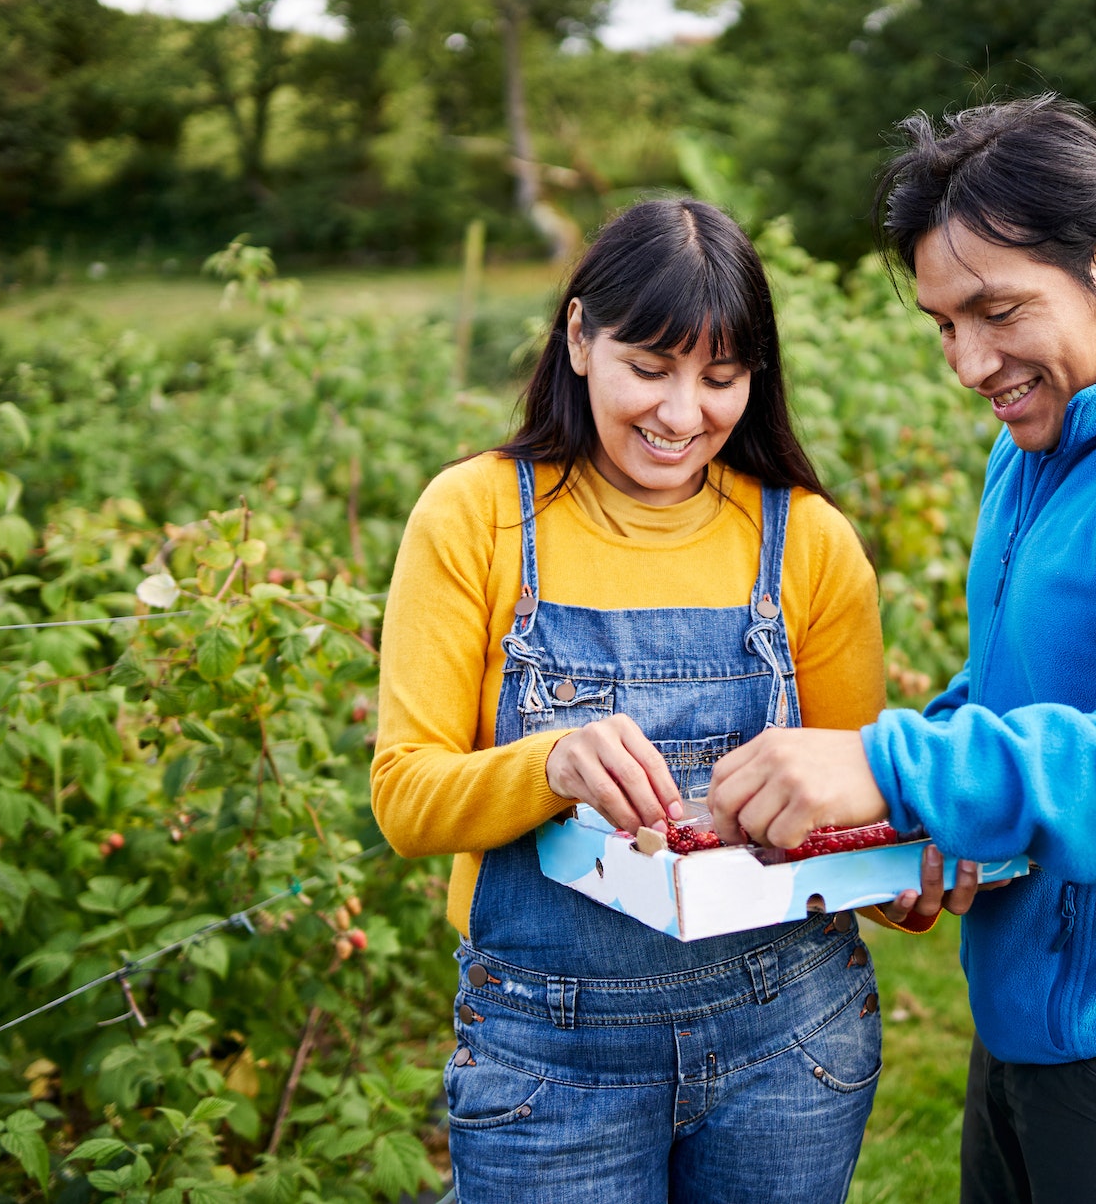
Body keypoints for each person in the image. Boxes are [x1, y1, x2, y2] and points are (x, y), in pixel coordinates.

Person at [707, 97, 1096, 1203]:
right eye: (944, 323)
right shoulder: (1044, 436)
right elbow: (1023, 689)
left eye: (996, 310)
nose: (967, 361)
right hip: (1038, 1007)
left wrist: (898, 765)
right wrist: (910, 817)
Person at [371, 199, 924, 1204]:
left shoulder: (804, 541)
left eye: (720, 379)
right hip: (549, 1052)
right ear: (580, 337)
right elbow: (405, 799)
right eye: (650, 367)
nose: (682, 416)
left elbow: (858, 809)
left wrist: (911, 864)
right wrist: (547, 762)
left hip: (787, 1034)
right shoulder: (477, 517)